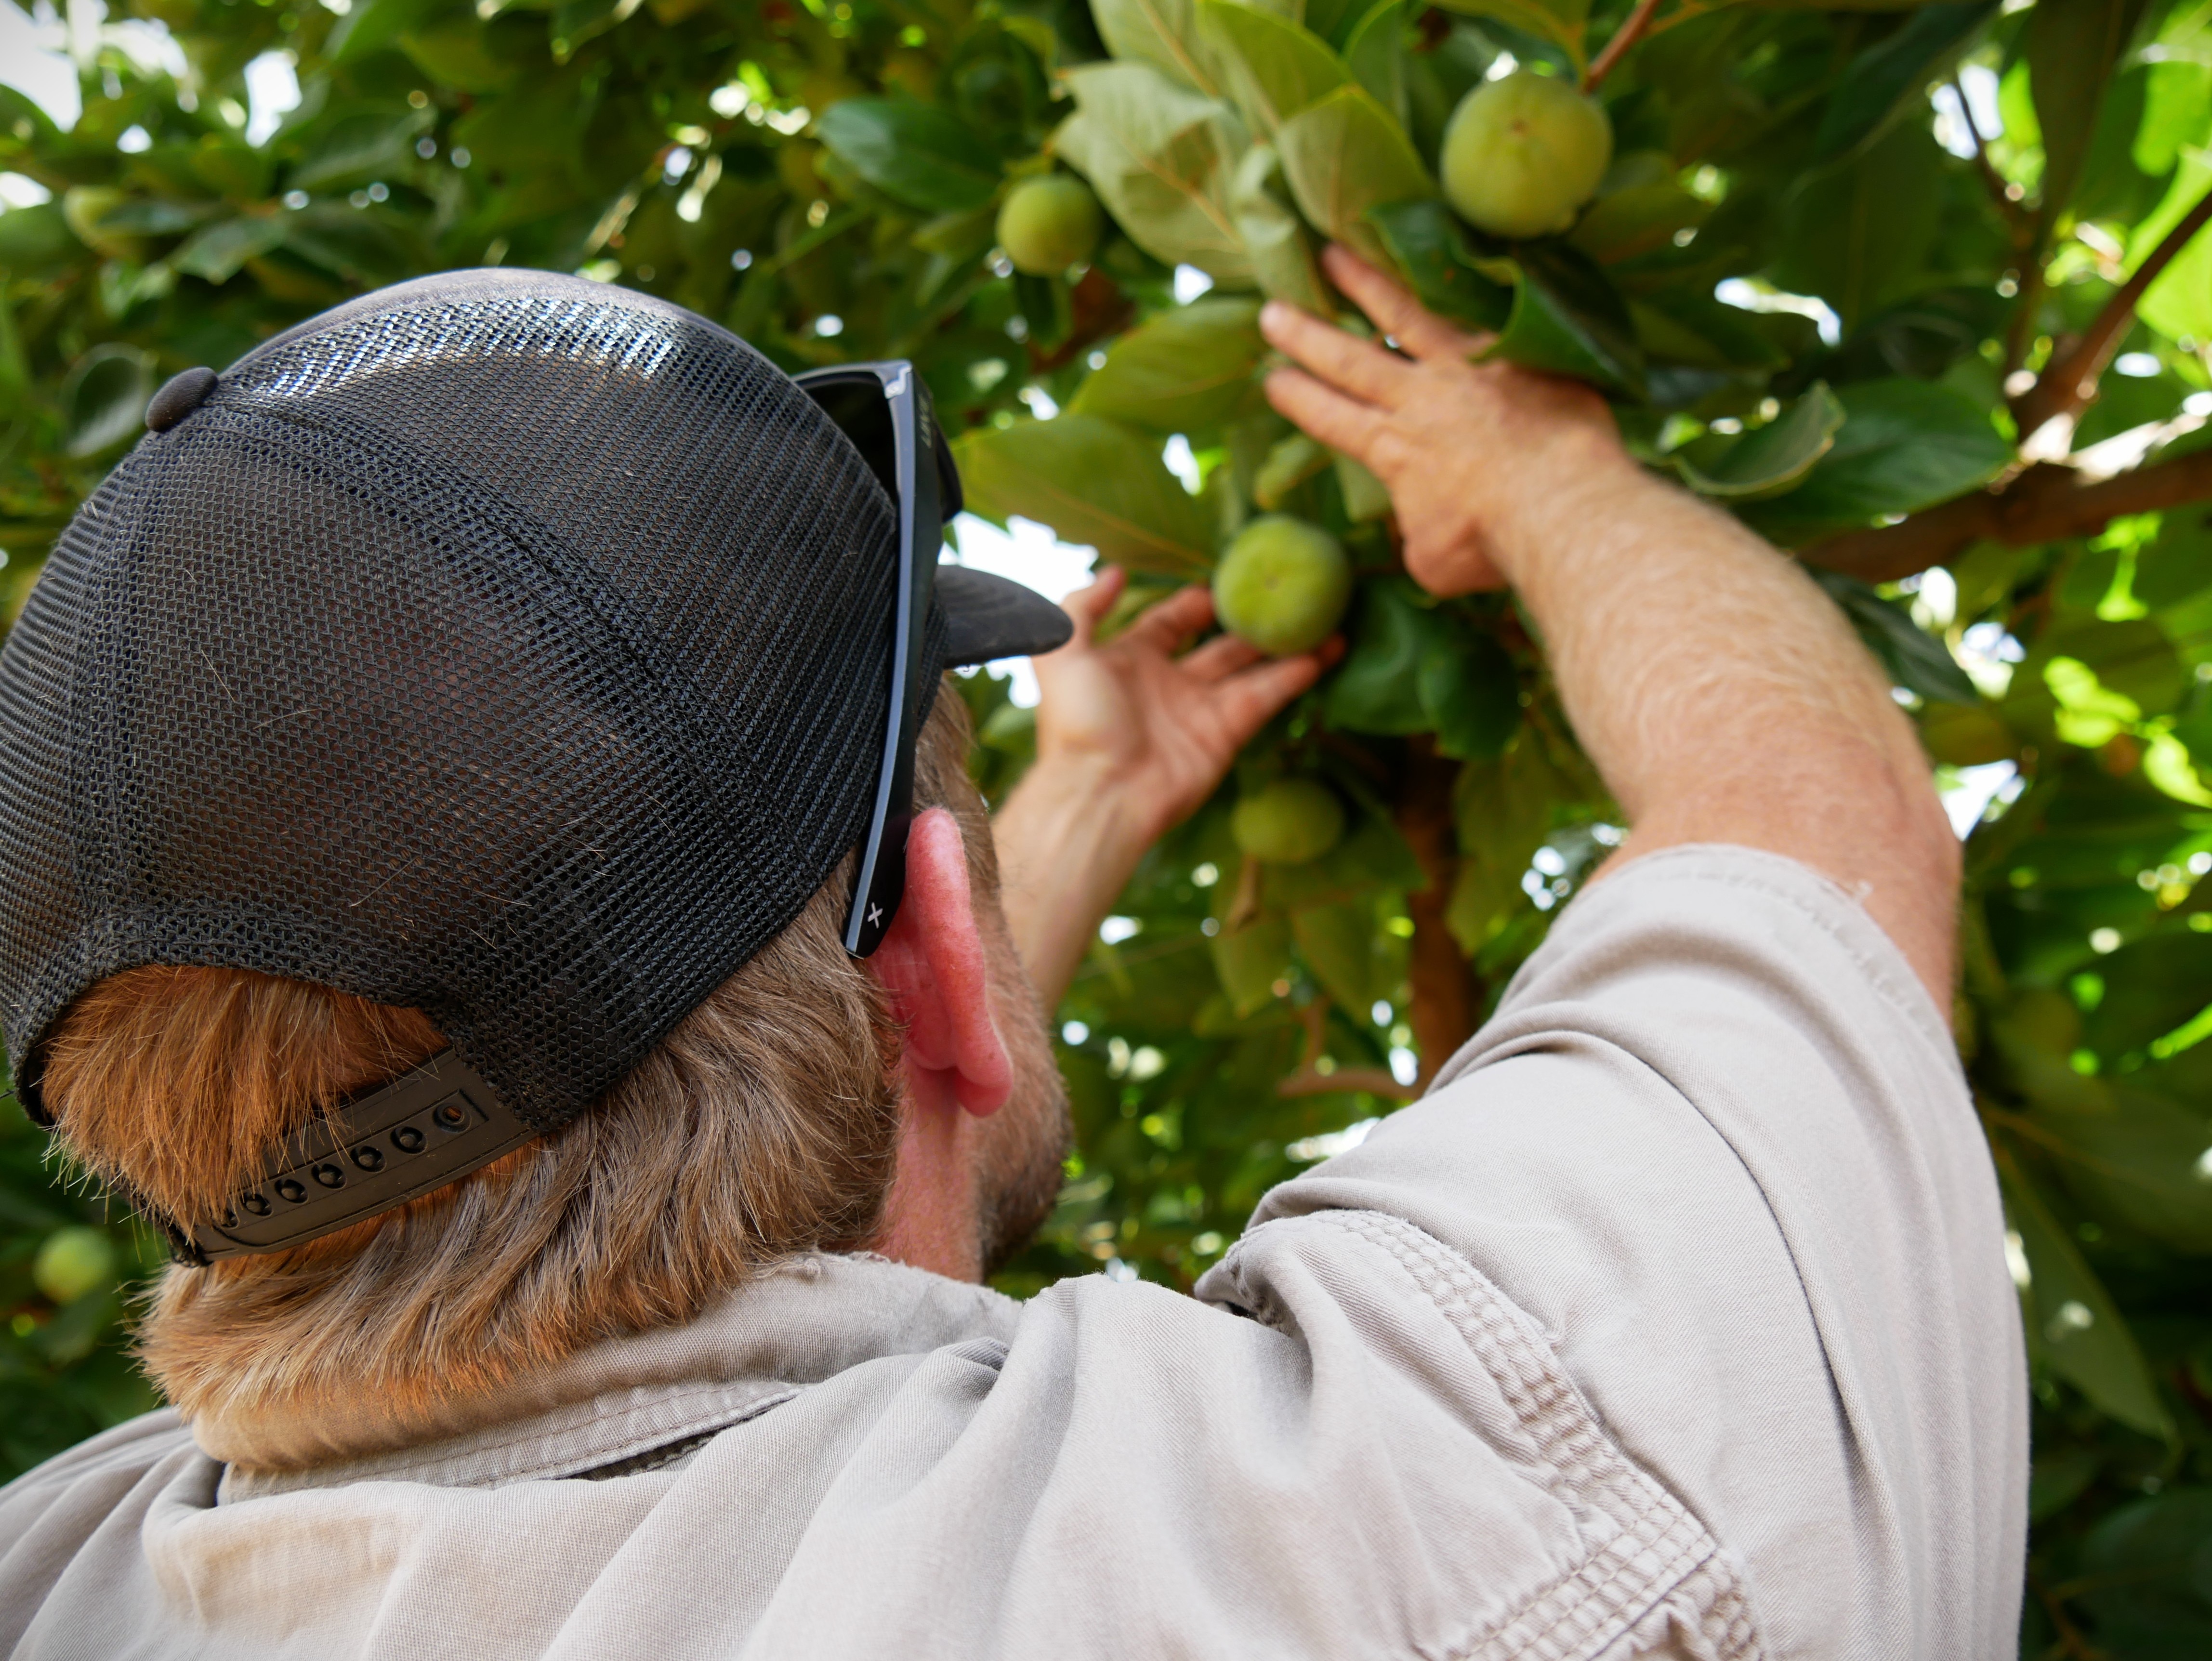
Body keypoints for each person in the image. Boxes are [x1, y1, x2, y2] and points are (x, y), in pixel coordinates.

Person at [0, 247, 2022, 1660]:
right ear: (944, 959)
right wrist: (1546, 477)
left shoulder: (54, 1576)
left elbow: (800, 1098)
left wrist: (1068, 813)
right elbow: (1808, 843)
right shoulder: (1432, 1514)